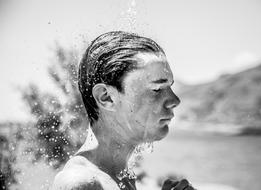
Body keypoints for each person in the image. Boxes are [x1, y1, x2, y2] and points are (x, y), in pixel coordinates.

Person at [51, 31, 195, 190]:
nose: (174, 100)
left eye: (170, 87)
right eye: (156, 89)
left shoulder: (119, 177)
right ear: (106, 97)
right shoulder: (81, 183)